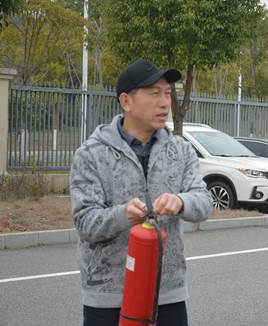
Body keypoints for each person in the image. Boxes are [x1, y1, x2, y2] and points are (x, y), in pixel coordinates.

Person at [70, 58, 212, 326]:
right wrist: (123, 215)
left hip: (168, 294)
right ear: (126, 102)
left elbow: (204, 202)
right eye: (154, 93)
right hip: (109, 296)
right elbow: (85, 222)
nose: (165, 103)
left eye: (168, 93)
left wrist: (181, 201)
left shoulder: (180, 149)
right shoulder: (91, 154)